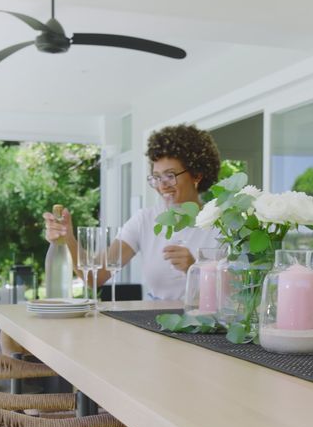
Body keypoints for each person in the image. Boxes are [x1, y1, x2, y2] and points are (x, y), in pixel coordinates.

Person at [43, 123, 222, 300]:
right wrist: (69, 239)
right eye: (156, 177)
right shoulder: (145, 220)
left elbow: (236, 296)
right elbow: (94, 277)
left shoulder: (222, 224)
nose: (162, 185)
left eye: (170, 175)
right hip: (154, 324)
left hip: (209, 323)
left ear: (197, 175)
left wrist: (194, 269)